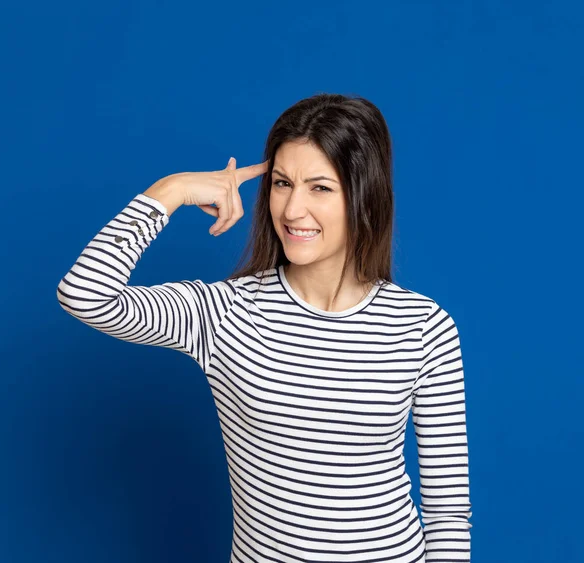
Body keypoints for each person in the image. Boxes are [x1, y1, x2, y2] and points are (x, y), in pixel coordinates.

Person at [57, 93, 472, 562]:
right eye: (281, 183)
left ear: (365, 195)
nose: (293, 210)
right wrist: (169, 191)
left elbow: (447, 511)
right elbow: (84, 295)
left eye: (320, 187)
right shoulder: (224, 312)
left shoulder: (423, 327)